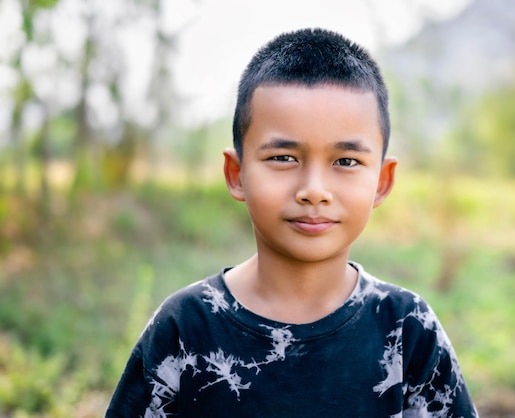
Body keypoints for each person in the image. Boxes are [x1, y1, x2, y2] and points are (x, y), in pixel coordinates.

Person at [106, 27, 478, 418]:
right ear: (236, 174)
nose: (314, 190)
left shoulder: (406, 327)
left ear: (382, 182)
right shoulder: (186, 326)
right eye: (283, 158)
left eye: (346, 161)